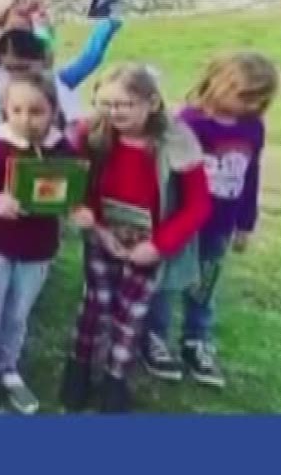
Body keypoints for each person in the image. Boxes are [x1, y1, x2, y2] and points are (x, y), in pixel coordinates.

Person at [61, 63, 212, 413]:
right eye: (107, 104)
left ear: (152, 103)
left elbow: (198, 204)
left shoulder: (177, 139)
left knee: (129, 313)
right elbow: (74, 184)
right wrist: (92, 224)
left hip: (147, 244)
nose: (114, 113)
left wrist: (158, 246)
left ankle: (116, 379)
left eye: (124, 105)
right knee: (95, 306)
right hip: (103, 235)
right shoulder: (90, 133)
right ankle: (78, 369)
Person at [142, 51, 279, 389]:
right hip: (183, 223)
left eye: (260, 99)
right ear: (217, 83)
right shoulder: (190, 122)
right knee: (168, 281)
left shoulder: (253, 128)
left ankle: (196, 340)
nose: (251, 105)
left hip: (220, 225)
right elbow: (168, 175)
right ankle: (154, 338)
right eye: (245, 95)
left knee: (205, 285)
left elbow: (251, 175)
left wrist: (246, 223)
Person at [0, 70, 76, 414]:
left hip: (38, 248)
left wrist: (75, 206)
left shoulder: (62, 148)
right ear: (4, 110)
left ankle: (6, 368)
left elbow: (73, 189)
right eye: (17, 110)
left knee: (18, 313)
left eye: (36, 111)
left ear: (53, 111)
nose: (26, 120)